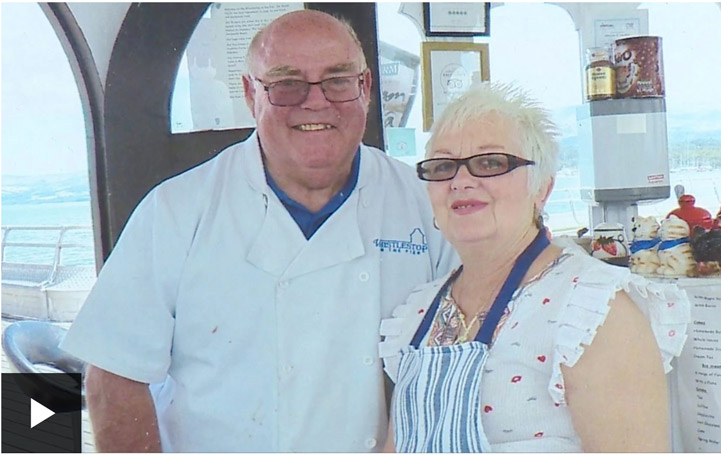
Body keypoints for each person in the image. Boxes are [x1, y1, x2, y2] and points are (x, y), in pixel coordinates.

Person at [61, 10, 456, 452]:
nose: (316, 102)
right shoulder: (177, 211)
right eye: (287, 84)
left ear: (364, 88)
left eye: (338, 80)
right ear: (251, 94)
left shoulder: (424, 205)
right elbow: (114, 375)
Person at [379, 82, 691, 452]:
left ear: (542, 188)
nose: (461, 181)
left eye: (491, 163)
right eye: (443, 166)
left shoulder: (589, 311)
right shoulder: (418, 313)